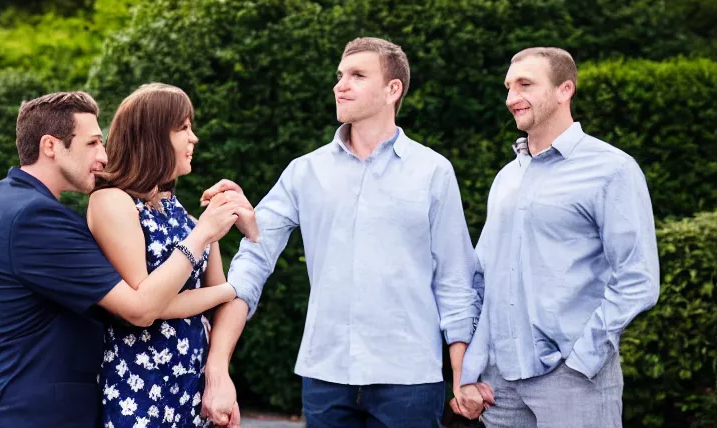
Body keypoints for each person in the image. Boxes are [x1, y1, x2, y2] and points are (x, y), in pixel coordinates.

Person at [200, 37, 482, 428]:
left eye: (357, 75)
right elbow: (255, 255)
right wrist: (218, 365)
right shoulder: (305, 171)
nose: (340, 85)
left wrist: (463, 376)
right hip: (325, 376)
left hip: (409, 380)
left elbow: (455, 279)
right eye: (339, 75)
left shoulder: (433, 172)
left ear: (392, 89)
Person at [0, 91, 246, 428]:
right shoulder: (35, 217)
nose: (104, 156)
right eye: (93, 143)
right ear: (51, 146)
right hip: (29, 413)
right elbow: (140, 308)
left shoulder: (11, 197)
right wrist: (227, 278)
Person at [455, 47, 660, 426]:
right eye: (509, 87)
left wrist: (584, 358)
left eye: (525, 85)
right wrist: (471, 371)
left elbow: (637, 279)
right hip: (501, 385)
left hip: (573, 380)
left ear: (565, 89)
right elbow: (485, 278)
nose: (511, 98)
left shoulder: (611, 169)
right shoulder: (507, 177)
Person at [88, 83, 258, 427]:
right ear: (151, 136)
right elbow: (145, 305)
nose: (193, 138)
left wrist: (220, 379)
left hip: (193, 386)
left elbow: (216, 304)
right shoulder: (112, 201)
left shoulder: (185, 217)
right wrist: (226, 276)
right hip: (139, 385)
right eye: (183, 128)